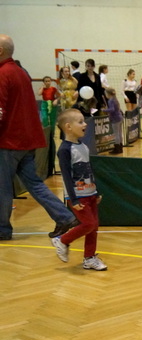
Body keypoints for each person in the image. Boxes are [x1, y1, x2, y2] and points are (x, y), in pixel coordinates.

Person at [0, 34, 78, 241]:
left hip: (9, 141)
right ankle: (65, 217)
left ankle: (2, 230)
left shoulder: (2, 73)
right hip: (27, 140)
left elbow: (0, 110)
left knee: (2, 187)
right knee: (34, 183)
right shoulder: (21, 72)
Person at [50, 108, 107, 271]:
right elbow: (66, 176)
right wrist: (73, 199)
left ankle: (89, 258)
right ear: (68, 127)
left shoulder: (83, 146)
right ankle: (62, 240)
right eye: (80, 122)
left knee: (94, 227)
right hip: (77, 196)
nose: (85, 124)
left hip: (90, 193)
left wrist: (96, 191)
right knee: (88, 224)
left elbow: (89, 171)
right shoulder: (64, 150)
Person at [105, 88, 124, 154]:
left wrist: (104, 110)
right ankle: (120, 148)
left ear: (108, 94)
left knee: (116, 134)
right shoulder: (115, 99)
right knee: (119, 133)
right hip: (120, 117)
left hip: (115, 119)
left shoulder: (110, 100)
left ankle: (117, 148)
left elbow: (112, 109)